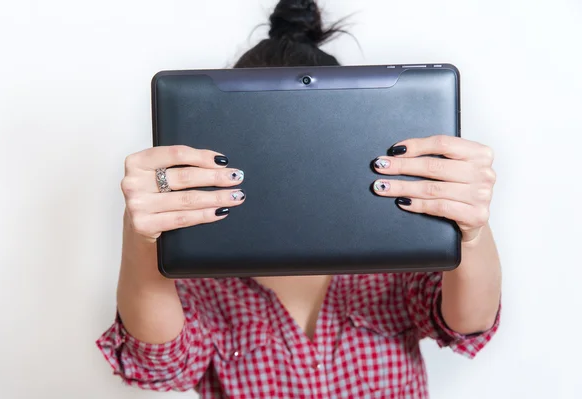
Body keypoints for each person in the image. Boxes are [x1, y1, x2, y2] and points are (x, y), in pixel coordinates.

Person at [96, 1, 502, 398]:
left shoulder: (395, 248)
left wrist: (471, 229)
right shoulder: (198, 267)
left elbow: (468, 322)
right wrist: (141, 233)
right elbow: (160, 366)